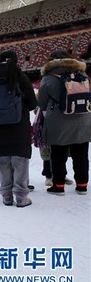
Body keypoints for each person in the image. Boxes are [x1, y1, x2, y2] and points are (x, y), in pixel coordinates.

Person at [0, 50, 38, 207]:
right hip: (19, 126)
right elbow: (33, 103)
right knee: (20, 160)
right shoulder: (20, 77)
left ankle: (6, 196)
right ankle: (21, 197)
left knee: (3, 160)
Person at [38, 50, 91, 195]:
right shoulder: (83, 74)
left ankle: (59, 186)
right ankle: (82, 185)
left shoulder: (48, 77)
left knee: (58, 154)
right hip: (83, 119)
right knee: (81, 154)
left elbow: (41, 103)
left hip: (58, 122)